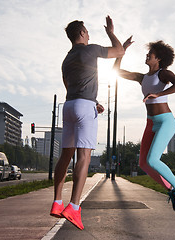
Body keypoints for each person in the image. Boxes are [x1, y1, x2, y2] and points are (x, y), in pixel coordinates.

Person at [50, 16, 124, 230]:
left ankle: (57, 202)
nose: (90, 35)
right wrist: (111, 31)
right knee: (84, 155)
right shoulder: (90, 49)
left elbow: (70, 85)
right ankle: (73, 206)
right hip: (84, 107)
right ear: (82, 33)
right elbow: (119, 51)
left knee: (66, 155)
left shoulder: (66, 59)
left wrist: (95, 102)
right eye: (88, 32)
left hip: (70, 105)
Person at [113, 36, 175, 212]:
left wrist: (158, 94)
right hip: (151, 123)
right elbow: (116, 70)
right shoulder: (142, 78)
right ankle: (172, 190)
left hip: (165, 121)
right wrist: (121, 51)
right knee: (144, 163)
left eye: (151, 54)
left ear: (159, 58)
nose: (147, 56)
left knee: (153, 160)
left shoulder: (163, 73)